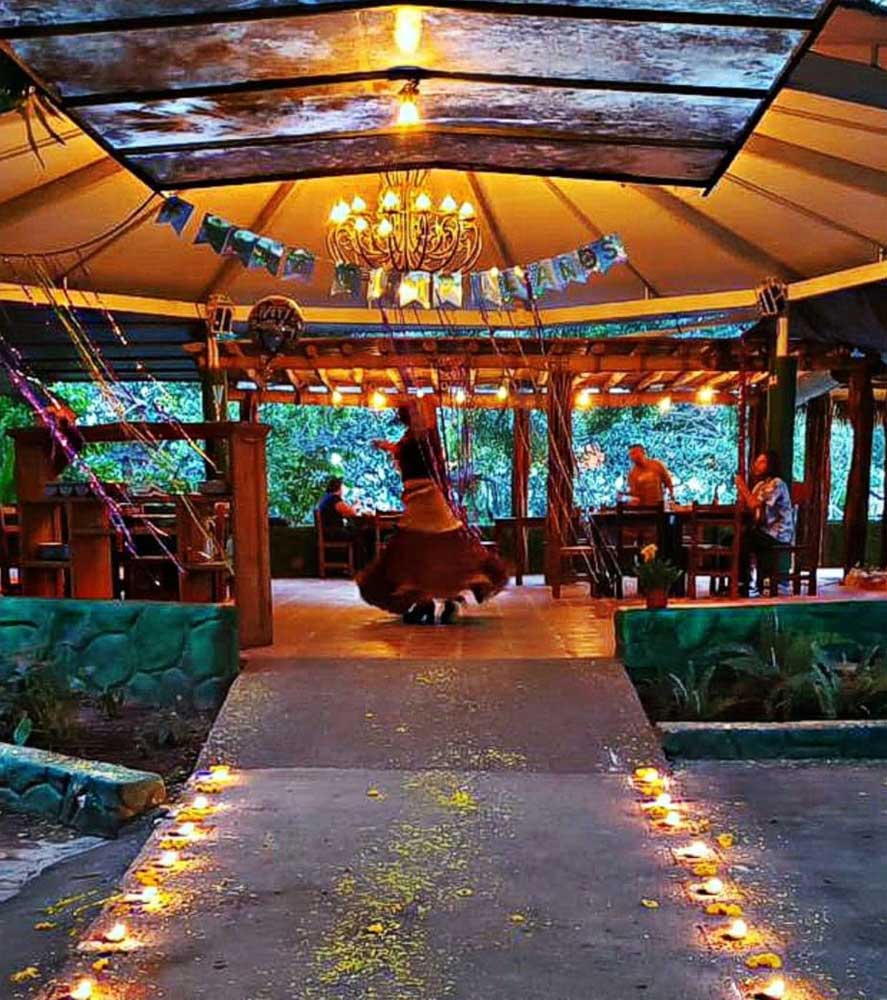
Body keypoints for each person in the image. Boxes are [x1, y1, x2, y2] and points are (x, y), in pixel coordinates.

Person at [357, 401, 507, 624]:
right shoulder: (416, 441)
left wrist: (391, 446)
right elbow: (410, 451)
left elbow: (414, 451)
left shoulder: (422, 440)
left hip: (425, 505)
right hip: (428, 506)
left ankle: (431, 600)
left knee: (416, 557)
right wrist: (389, 446)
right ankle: (431, 600)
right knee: (432, 557)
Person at [735, 450, 794, 595]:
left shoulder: (777, 484)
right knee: (731, 539)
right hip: (764, 531)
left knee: (744, 540)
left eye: (762, 462)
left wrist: (743, 487)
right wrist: (741, 495)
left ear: (770, 465)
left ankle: (743, 584)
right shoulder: (760, 485)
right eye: (756, 461)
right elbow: (749, 507)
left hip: (778, 533)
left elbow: (754, 503)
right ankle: (734, 581)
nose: (757, 464)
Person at [315, 477, 366, 564]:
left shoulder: (325, 498)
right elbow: (351, 513)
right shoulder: (334, 499)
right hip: (334, 533)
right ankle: (360, 565)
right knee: (362, 534)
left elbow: (343, 512)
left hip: (327, 532)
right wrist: (356, 505)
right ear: (339, 488)